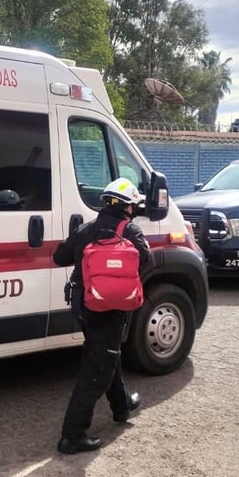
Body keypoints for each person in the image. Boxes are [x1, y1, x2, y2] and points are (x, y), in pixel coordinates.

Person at [53, 177, 151, 454]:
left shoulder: (87, 230)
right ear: (128, 206)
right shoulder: (130, 231)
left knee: (106, 352)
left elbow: (59, 258)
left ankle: (122, 407)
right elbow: (147, 261)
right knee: (98, 366)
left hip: (83, 306)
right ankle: (72, 435)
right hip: (111, 308)